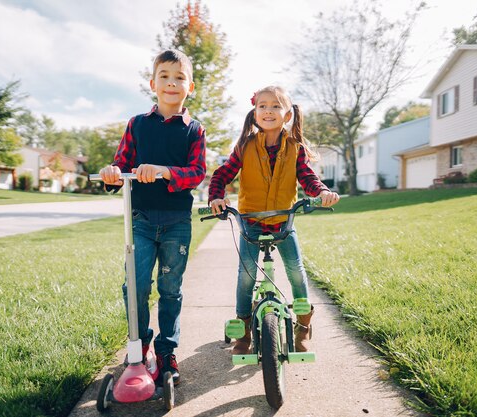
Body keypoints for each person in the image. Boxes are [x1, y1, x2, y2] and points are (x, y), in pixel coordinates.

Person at [99, 49, 206, 384]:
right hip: (142, 221)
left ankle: (166, 350)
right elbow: (122, 163)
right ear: (153, 83)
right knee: (135, 284)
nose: (171, 83)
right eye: (165, 76)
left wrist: (164, 171)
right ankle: (140, 341)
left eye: (179, 78)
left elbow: (197, 172)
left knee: (170, 288)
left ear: (190, 87)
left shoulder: (194, 130)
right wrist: (112, 172)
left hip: (176, 222)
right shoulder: (137, 125)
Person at [208, 86, 339, 354]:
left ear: (287, 114)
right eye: (263, 106)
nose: (268, 110)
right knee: (246, 276)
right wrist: (216, 198)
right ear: (255, 112)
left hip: (283, 221)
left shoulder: (295, 148)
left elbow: (308, 178)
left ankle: (303, 327)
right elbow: (221, 175)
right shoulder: (244, 146)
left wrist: (322, 192)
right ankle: (244, 332)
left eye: (276, 106)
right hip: (250, 221)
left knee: (296, 272)